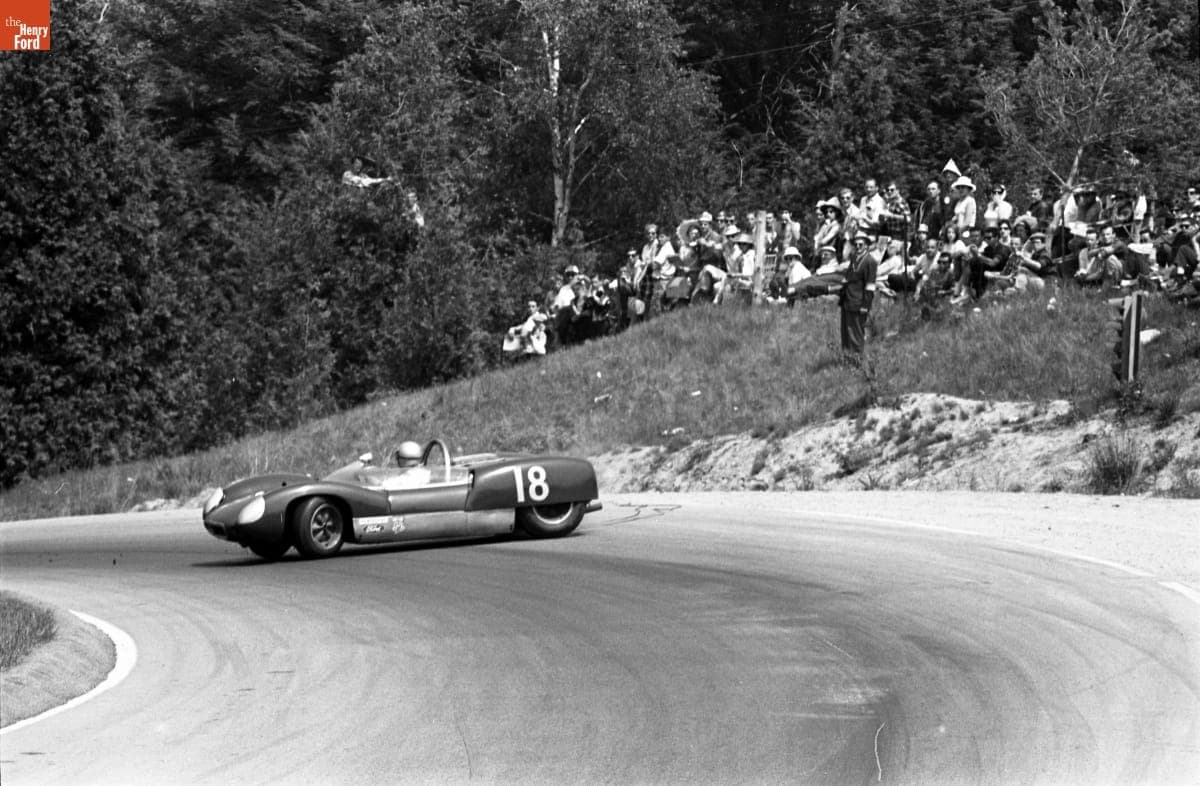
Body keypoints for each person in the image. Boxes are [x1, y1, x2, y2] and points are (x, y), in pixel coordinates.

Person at [839, 231, 878, 364]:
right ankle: (847, 360)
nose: (858, 246)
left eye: (861, 244)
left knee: (856, 334)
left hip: (858, 302)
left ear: (867, 245)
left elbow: (870, 286)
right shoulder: (854, 258)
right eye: (855, 244)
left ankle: (858, 363)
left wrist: (865, 305)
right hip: (847, 300)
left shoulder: (870, 261)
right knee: (845, 333)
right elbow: (849, 277)